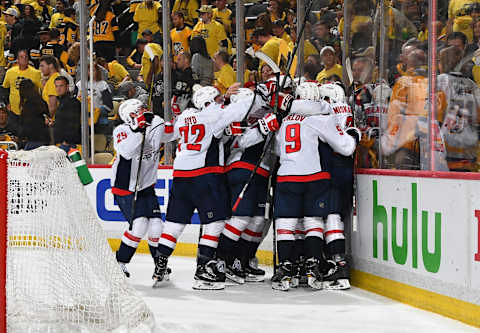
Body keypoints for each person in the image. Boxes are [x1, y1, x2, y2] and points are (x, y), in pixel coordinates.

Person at [153, 85, 269, 290]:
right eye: (216, 99)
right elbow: (240, 108)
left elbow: (169, 133)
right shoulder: (214, 114)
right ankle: (204, 270)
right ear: (209, 102)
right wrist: (255, 94)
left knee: (173, 224)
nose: (219, 102)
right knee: (215, 223)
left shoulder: (186, 115)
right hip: (205, 174)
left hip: (180, 176)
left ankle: (160, 265)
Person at [271, 82, 358, 291]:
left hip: (286, 176)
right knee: (315, 220)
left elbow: (276, 149)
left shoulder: (286, 119)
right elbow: (346, 147)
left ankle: (286, 267)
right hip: (315, 176)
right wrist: (354, 134)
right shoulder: (320, 116)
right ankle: (314, 265)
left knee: (287, 223)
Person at [112, 98, 175, 283]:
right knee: (139, 226)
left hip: (146, 185)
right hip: (126, 187)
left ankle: (160, 265)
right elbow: (127, 152)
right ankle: (120, 263)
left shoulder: (155, 123)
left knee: (156, 226)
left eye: (143, 109)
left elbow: (173, 132)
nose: (144, 112)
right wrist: (136, 130)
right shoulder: (121, 130)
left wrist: (178, 115)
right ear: (129, 116)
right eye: (138, 111)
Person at [318, 82, 359, 290]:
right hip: (346, 170)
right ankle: (334, 261)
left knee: (331, 215)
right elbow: (354, 136)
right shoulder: (347, 109)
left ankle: (338, 264)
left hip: (332, 168)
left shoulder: (327, 112)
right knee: (336, 214)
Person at [2, 49, 41, 132]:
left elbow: (39, 91)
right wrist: (7, 103)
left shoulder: (36, 73)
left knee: (27, 133)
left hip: (29, 111)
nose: (24, 59)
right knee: (14, 132)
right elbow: (4, 88)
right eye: (21, 57)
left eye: (26, 57)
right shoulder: (10, 72)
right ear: (17, 59)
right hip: (13, 110)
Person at [18, 78, 50, 150]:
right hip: (45, 138)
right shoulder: (42, 102)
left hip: (33, 140)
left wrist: (20, 137)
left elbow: (26, 124)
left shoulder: (28, 106)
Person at [53, 75, 81, 152]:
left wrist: (67, 141)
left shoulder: (72, 103)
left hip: (68, 144)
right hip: (62, 142)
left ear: (67, 86)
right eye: (56, 86)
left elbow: (74, 123)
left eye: (61, 86)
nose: (58, 89)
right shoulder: (61, 102)